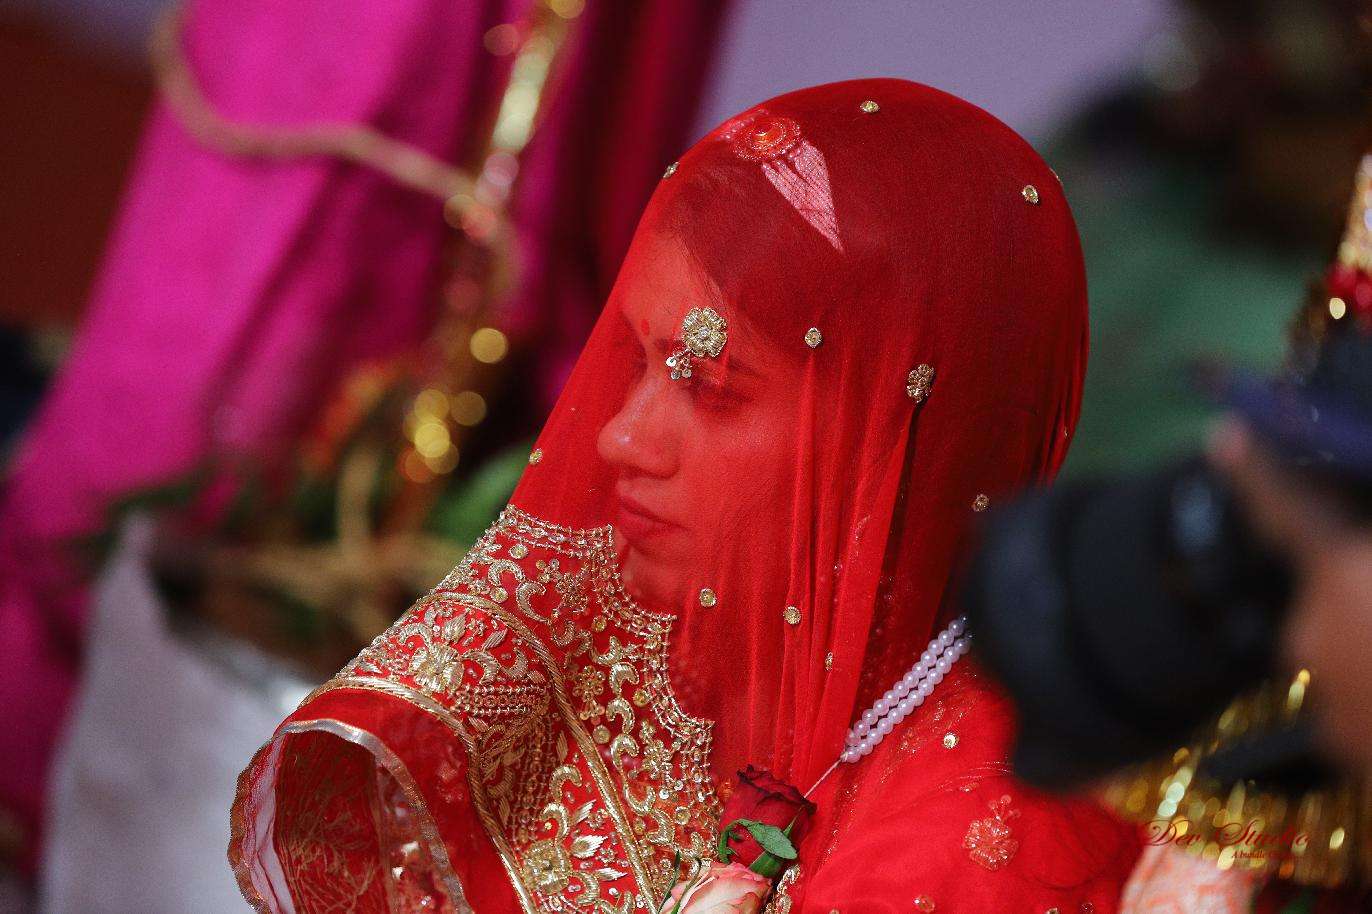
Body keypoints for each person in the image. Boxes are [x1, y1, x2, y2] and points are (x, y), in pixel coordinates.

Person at [229, 79, 1140, 913]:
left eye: (707, 384)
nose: (618, 439)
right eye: (634, 359)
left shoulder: (980, 850)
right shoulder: (669, 655)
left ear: (892, 446)